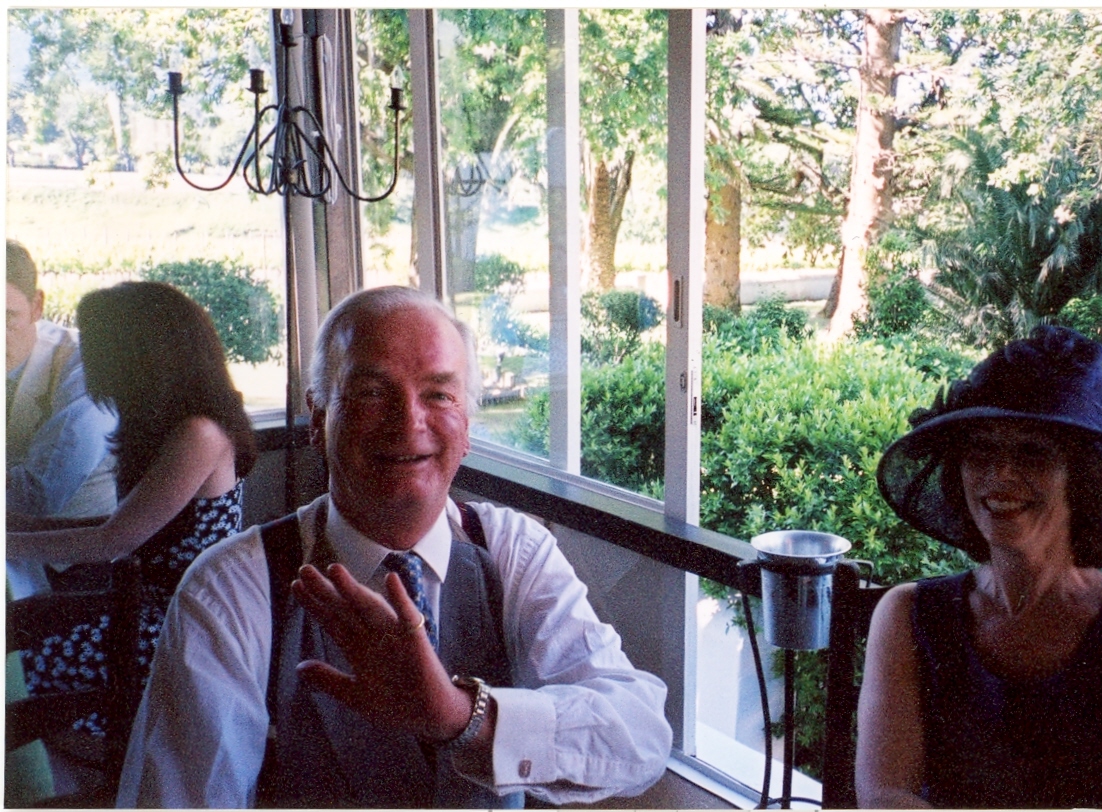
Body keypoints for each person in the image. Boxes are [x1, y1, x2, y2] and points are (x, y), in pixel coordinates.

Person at [117, 285, 672, 808]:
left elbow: (641, 738)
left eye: (439, 394)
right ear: (317, 419)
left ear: (468, 424)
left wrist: (460, 718)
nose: (410, 424)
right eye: (371, 393)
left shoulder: (512, 549)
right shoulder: (232, 589)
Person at [857, 325, 1102, 808]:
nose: (1001, 475)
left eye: (1032, 451)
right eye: (981, 450)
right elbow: (885, 794)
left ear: (1082, 477)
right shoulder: (909, 616)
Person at [6, 281, 259, 734]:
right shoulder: (170, 424)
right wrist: (24, 527)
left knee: (21, 668)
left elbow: (113, 541)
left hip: (183, 619)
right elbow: (131, 525)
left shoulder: (200, 433)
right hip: (144, 601)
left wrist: (11, 542)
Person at [6, 240, 118, 556]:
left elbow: (39, 493)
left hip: (72, 566)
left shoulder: (85, 367)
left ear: (37, 306)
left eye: (6, 317)